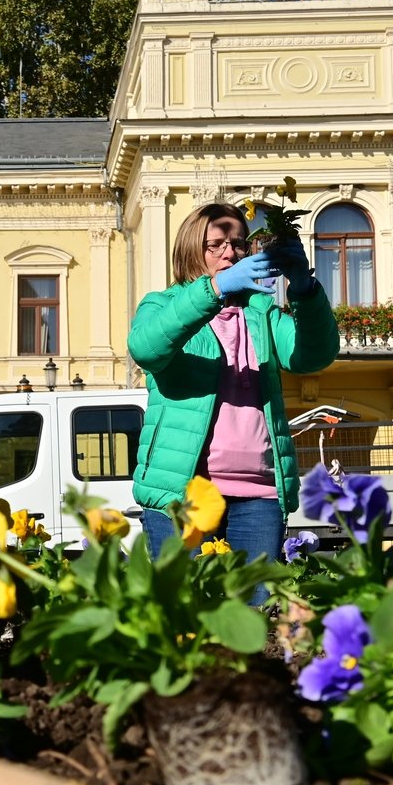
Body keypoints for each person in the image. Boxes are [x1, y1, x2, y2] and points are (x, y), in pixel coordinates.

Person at [127, 202, 340, 595]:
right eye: (217, 245)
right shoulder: (162, 304)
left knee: (254, 624)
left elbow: (311, 356)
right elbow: (146, 348)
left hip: (258, 495)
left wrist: (305, 290)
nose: (231, 253)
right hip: (183, 493)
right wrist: (215, 290)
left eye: (240, 244)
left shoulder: (261, 311)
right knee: (184, 616)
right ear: (192, 250)